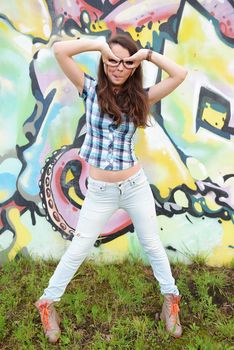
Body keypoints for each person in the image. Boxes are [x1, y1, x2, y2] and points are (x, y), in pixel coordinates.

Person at [35, 33, 187, 343]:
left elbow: (180, 74)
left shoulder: (141, 97)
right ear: (104, 62)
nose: (118, 66)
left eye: (126, 62)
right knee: (79, 247)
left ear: (134, 67)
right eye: (112, 60)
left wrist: (146, 54)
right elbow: (60, 51)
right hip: (100, 191)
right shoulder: (89, 89)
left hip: (134, 186)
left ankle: (171, 300)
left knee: (151, 244)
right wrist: (99, 45)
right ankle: (48, 302)